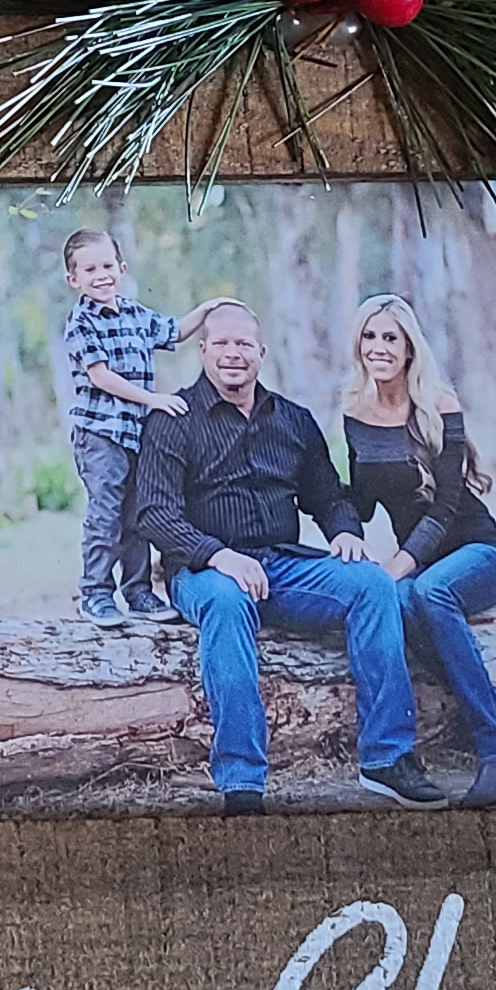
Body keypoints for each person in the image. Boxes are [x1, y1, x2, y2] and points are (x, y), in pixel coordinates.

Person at [132, 300, 446, 813]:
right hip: (205, 571)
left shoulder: (293, 420)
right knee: (227, 603)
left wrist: (345, 532)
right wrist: (219, 556)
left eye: (243, 344)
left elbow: (328, 497)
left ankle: (387, 758)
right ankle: (242, 781)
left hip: (282, 565)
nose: (232, 354)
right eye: (221, 343)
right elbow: (153, 512)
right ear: (203, 350)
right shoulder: (174, 419)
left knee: (373, 584)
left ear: (261, 353)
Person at [340, 292, 496, 811]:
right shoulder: (355, 413)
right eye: (369, 336)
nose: (379, 347)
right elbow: (362, 500)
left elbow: (448, 505)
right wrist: (330, 513)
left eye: (391, 338)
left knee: (425, 591)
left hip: (480, 551)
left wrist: (397, 565)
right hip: (424, 565)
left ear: (409, 348)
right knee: (404, 602)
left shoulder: (439, 404)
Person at [57, 225, 191, 624]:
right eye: (89, 270)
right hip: (101, 435)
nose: (101, 276)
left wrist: (213, 308)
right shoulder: (82, 322)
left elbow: (175, 331)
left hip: (136, 435)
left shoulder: (135, 313)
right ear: (74, 279)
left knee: (137, 514)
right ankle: (96, 593)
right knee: (107, 514)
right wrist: (153, 399)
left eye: (107, 266)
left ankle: (139, 593)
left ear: (122, 268)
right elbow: (100, 376)